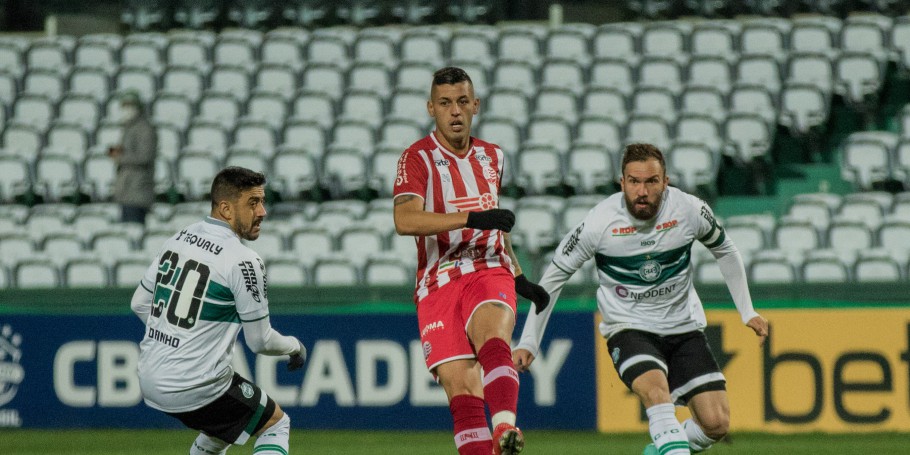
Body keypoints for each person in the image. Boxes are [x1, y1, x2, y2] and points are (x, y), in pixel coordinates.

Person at [513, 144, 769, 455]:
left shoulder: (689, 210)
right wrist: (529, 340)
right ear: (622, 183)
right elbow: (553, 278)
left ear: (666, 181)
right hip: (629, 328)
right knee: (656, 392)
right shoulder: (599, 223)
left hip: (684, 328)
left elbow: (725, 250)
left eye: (651, 181)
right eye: (634, 182)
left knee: (716, 423)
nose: (642, 191)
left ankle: (662, 447)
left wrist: (747, 311)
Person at [393, 67, 550, 455]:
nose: (455, 111)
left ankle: (505, 430)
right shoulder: (416, 158)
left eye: (463, 102)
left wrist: (517, 274)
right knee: (461, 392)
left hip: (487, 268)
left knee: (492, 337)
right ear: (432, 108)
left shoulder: (493, 156)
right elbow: (405, 220)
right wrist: (469, 219)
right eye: (445, 103)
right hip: (437, 281)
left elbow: (493, 220)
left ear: (475, 105)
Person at [130, 166, 307, 455]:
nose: (262, 212)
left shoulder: (180, 237)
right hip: (196, 385)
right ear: (225, 208)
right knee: (275, 424)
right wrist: (294, 347)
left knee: (220, 431)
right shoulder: (243, 260)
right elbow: (259, 341)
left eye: (262, 202)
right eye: (253, 203)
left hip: (150, 377)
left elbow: (138, 302)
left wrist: (174, 337)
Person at [109, 91, 157, 224]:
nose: (127, 109)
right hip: (127, 191)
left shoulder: (144, 128)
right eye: (125, 105)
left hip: (137, 191)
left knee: (133, 229)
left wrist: (120, 156)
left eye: (130, 105)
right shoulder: (129, 127)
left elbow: (145, 156)